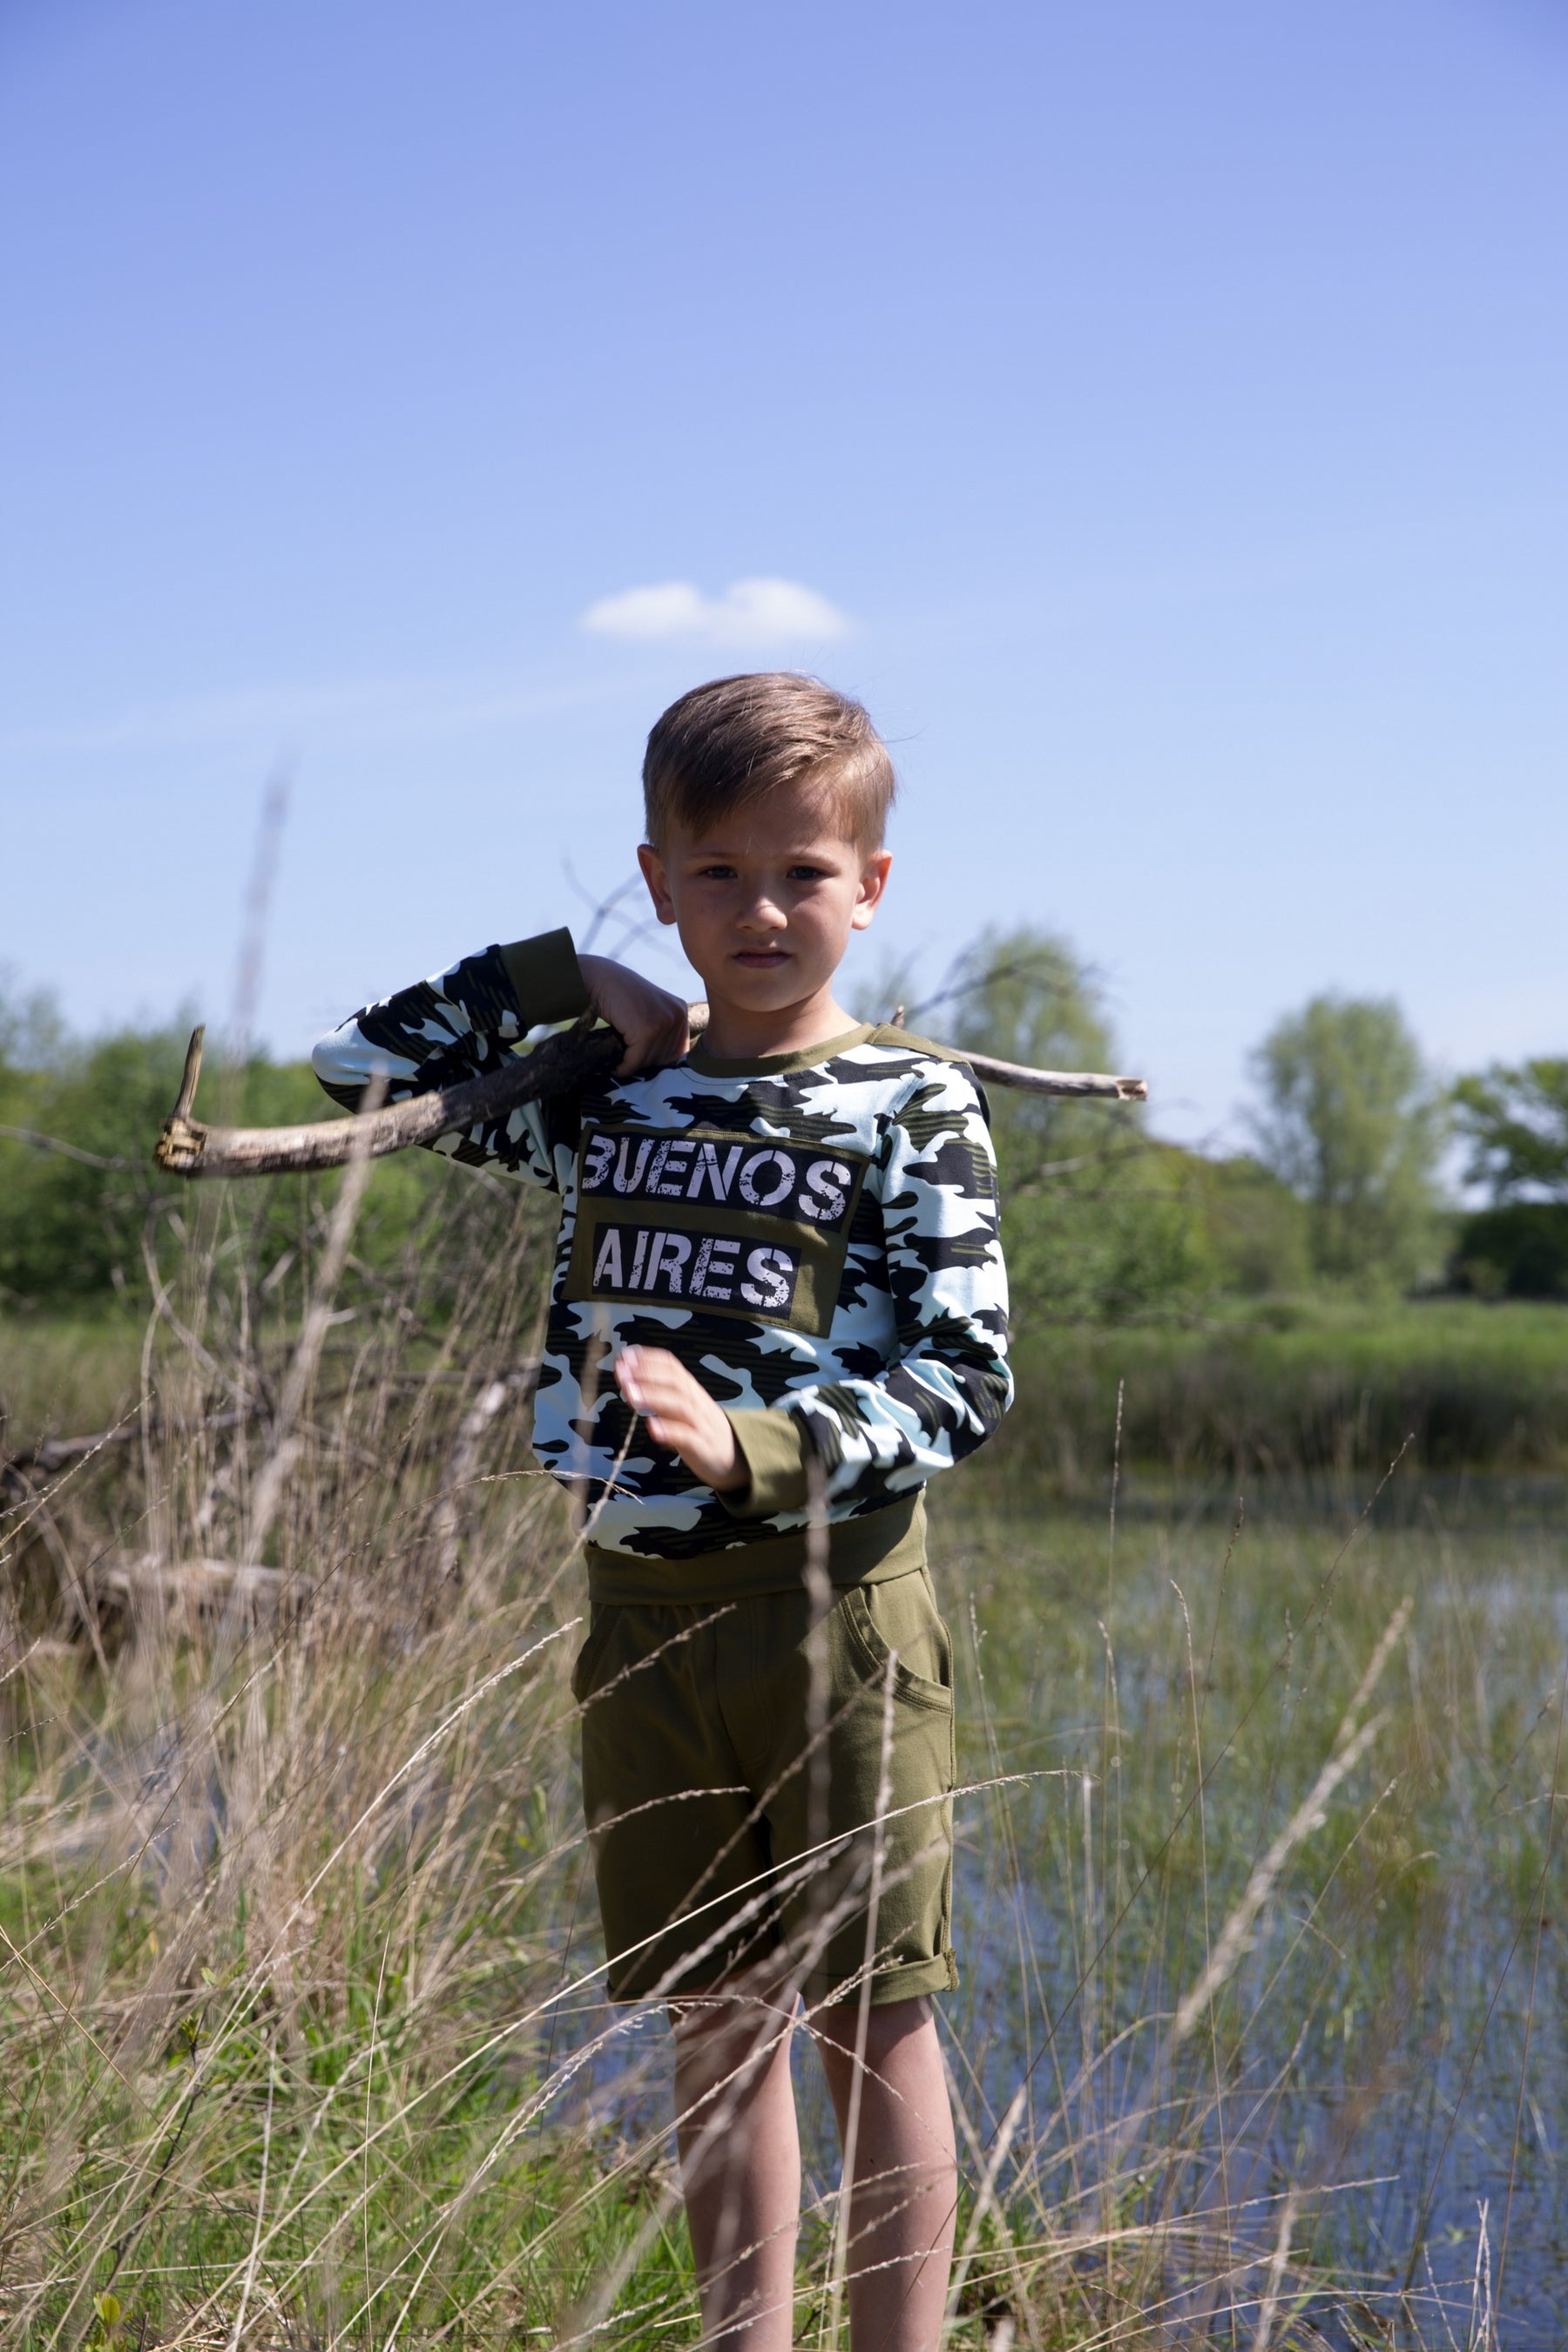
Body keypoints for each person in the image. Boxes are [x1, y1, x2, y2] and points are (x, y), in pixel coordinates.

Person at [313, 672, 1012, 2349]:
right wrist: (565, 979)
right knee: (717, 2016)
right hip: (639, 1624)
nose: (761, 912)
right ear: (658, 880)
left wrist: (753, 1444)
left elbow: (965, 1376)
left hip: (834, 1620)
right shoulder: (604, 1096)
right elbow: (357, 1075)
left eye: (803, 873)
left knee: (871, 2019)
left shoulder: (907, 1105)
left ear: (872, 885)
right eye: (717, 875)